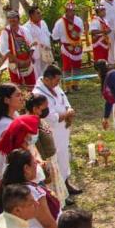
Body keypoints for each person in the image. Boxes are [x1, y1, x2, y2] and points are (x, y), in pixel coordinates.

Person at [0, 148, 60, 228]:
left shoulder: (9, 188)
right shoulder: (30, 193)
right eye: (34, 163)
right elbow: (48, 224)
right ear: (26, 168)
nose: (37, 165)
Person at [33, 65, 80, 198]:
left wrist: (69, 110)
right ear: (47, 79)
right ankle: (59, 192)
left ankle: (66, 183)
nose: (58, 83)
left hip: (63, 130)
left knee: (64, 157)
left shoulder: (55, 87)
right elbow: (50, 117)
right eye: (56, 80)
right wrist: (66, 114)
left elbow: (65, 100)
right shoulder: (38, 94)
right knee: (56, 160)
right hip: (52, 132)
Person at [25, 94, 68, 206]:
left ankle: (60, 202)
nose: (47, 109)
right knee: (50, 185)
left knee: (56, 183)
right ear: (35, 109)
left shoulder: (40, 120)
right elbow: (33, 145)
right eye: (44, 107)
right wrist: (42, 163)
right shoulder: (31, 123)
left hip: (51, 158)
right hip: (45, 160)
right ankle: (56, 205)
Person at [0, 84, 24, 176]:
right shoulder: (5, 124)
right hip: (13, 171)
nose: (22, 98)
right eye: (17, 95)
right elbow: (13, 152)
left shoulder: (15, 114)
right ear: (6, 100)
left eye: (21, 95)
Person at [51, 0, 84, 90]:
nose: (72, 13)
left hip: (77, 46)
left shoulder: (78, 20)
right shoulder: (60, 22)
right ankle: (67, 87)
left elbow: (81, 32)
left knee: (77, 66)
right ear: (66, 11)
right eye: (70, 11)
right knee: (67, 67)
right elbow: (54, 36)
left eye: (73, 11)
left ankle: (76, 85)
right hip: (66, 48)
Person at [0, 10, 36, 87]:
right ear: (8, 20)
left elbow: (32, 45)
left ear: (18, 19)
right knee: (17, 88)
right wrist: (18, 61)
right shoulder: (5, 32)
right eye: (10, 19)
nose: (12, 21)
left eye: (14, 19)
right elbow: (4, 50)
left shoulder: (24, 30)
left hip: (27, 63)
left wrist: (29, 59)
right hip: (15, 65)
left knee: (31, 86)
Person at [23, 6, 53, 79]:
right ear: (32, 15)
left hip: (46, 52)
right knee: (38, 75)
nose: (41, 14)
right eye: (38, 13)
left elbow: (48, 35)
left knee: (48, 72)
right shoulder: (26, 27)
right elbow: (27, 43)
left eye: (40, 12)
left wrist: (50, 48)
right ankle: (40, 89)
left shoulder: (43, 23)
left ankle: (48, 88)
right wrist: (30, 56)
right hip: (36, 55)